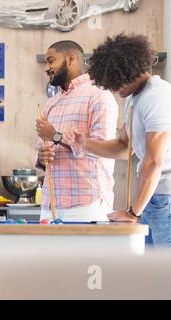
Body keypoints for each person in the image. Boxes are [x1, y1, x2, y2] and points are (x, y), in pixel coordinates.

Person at [63, 34, 171, 247]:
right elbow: (123, 147)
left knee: (164, 273)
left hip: (165, 199)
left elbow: (154, 162)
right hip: (152, 198)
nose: (114, 89)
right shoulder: (134, 97)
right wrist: (83, 142)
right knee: (153, 272)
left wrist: (132, 212)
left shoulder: (157, 97)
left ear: (131, 70)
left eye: (116, 82)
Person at [35, 40, 119, 222]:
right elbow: (42, 148)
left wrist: (56, 136)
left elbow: (103, 149)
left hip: (87, 204)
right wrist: (41, 157)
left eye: (51, 61)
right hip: (50, 206)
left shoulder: (99, 95)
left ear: (71, 59)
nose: (46, 67)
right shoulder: (51, 103)